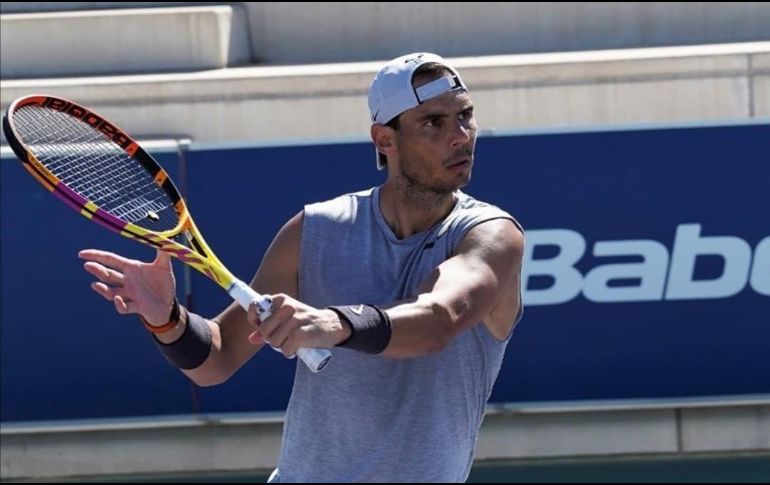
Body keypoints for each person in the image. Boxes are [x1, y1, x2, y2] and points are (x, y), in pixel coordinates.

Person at [80, 52, 524, 482]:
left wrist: (332, 323)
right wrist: (168, 320)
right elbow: (216, 358)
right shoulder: (317, 229)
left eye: (465, 115)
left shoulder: (490, 235)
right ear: (384, 140)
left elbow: (438, 321)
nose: (461, 135)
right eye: (433, 122)